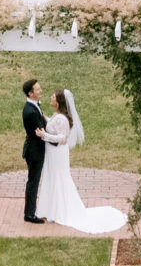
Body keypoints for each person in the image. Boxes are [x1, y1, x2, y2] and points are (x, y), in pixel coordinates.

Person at [37, 89, 128, 233]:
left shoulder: (62, 119)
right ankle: (53, 209)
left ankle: (59, 210)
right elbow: (53, 125)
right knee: (54, 178)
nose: (51, 97)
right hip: (54, 154)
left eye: (53, 96)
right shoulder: (58, 116)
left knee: (59, 178)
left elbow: (62, 138)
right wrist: (43, 117)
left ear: (59, 102)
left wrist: (44, 135)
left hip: (57, 154)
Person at [21, 79, 49, 224]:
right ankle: (29, 214)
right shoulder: (30, 111)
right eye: (37, 89)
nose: (40, 91)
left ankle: (30, 210)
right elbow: (42, 130)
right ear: (31, 93)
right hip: (34, 151)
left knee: (33, 181)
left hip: (34, 149)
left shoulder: (33, 106)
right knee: (33, 182)